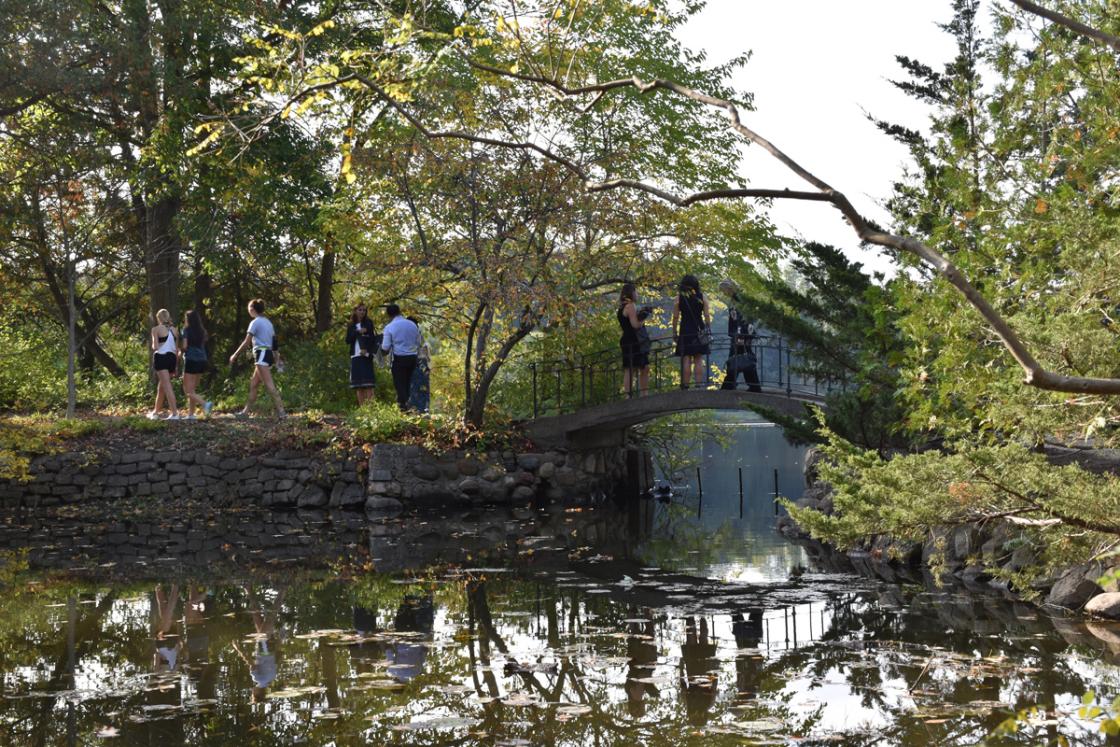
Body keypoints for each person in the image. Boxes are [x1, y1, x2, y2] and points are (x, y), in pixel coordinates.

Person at [228, 299, 287, 419]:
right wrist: (277, 359)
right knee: (254, 384)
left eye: (249, 308)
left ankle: (282, 412)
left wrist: (235, 354)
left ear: (253, 309)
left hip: (261, 355)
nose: (248, 310)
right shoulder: (268, 323)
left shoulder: (255, 322)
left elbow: (246, 342)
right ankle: (245, 412)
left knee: (270, 385)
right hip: (267, 355)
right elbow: (274, 344)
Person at [671, 274, 712, 390]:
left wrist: (674, 332)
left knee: (686, 358)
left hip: (685, 330)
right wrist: (708, 328)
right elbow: (707, 315)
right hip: (699, 329)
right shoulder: (702, 297)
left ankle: (685, 386)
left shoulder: (678, 298)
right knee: (698, 358)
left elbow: (675, 317)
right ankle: (698, 385)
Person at [380, 304, 421, 411]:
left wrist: (380, 352)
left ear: (388, 315)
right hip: (413, 358)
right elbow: (418, 342)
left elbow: (385, 348)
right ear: (399, 311)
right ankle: (414, 408)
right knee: (410, 384)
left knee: (400, 385)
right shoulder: (412, 325)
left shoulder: (389, 327)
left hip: (399, 359)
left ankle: (404, 409)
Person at [618, 283, 652, 396]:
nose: (637, 294)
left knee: (629, 368)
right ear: (631, 293)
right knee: (643, 367)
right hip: (634, 341)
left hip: (626, 340)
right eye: (636, 291)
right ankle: (644, 394)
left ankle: (629, 395)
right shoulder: (630, 306)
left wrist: (640, 313)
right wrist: (644, 317)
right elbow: (635, 325)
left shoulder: (622, 307)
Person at [180, 310, 213, 419]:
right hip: (202, 361)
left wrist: (180, 352)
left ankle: (205, 404)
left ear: (187, 319)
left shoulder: (186, 330)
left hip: (191, 360)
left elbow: (185, 346)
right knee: (193, 389)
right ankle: (191, 414)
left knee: (187, 390)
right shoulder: (202, 331)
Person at [148, 309, 181, 420]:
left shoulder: (155, 329)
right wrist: (176, 366)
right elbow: (176, 350)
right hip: (172, 359)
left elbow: (155, 347)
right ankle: (155, 412)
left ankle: (175, 413)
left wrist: (154, 341)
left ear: (159, 318)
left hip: (161, 357)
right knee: (161, 387)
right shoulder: (175, 330)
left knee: (166, 386)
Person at [721, 310, 762, 392]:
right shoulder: (743, 309)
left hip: (740, 341)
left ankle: (728, 387)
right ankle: (754, 386)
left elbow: (735, 327)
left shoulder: (737, 310)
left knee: (738, 363)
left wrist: (740, 337)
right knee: (746, 363)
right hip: (742, 341)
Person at [346, 303, 378, 405]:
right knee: (358, 386)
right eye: (360, 310)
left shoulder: (369, 323)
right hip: (355, 356)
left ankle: (371, 410)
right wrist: (357, 332)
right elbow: (347, 340)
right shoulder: (351, 325)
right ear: (355, 311)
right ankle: (363, 410)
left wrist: (367, 351)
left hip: (366, 356)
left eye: (364, 310)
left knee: (369, 384)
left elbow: (373, 340)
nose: (362, 312)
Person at [407, 316, 431, 413]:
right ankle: (419, 410)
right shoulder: (416, 334)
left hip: (420, 363)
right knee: (416, 388)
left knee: (420, 388)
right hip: (418, 364)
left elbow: (424, 351)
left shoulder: (417, 335)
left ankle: (421, 410)